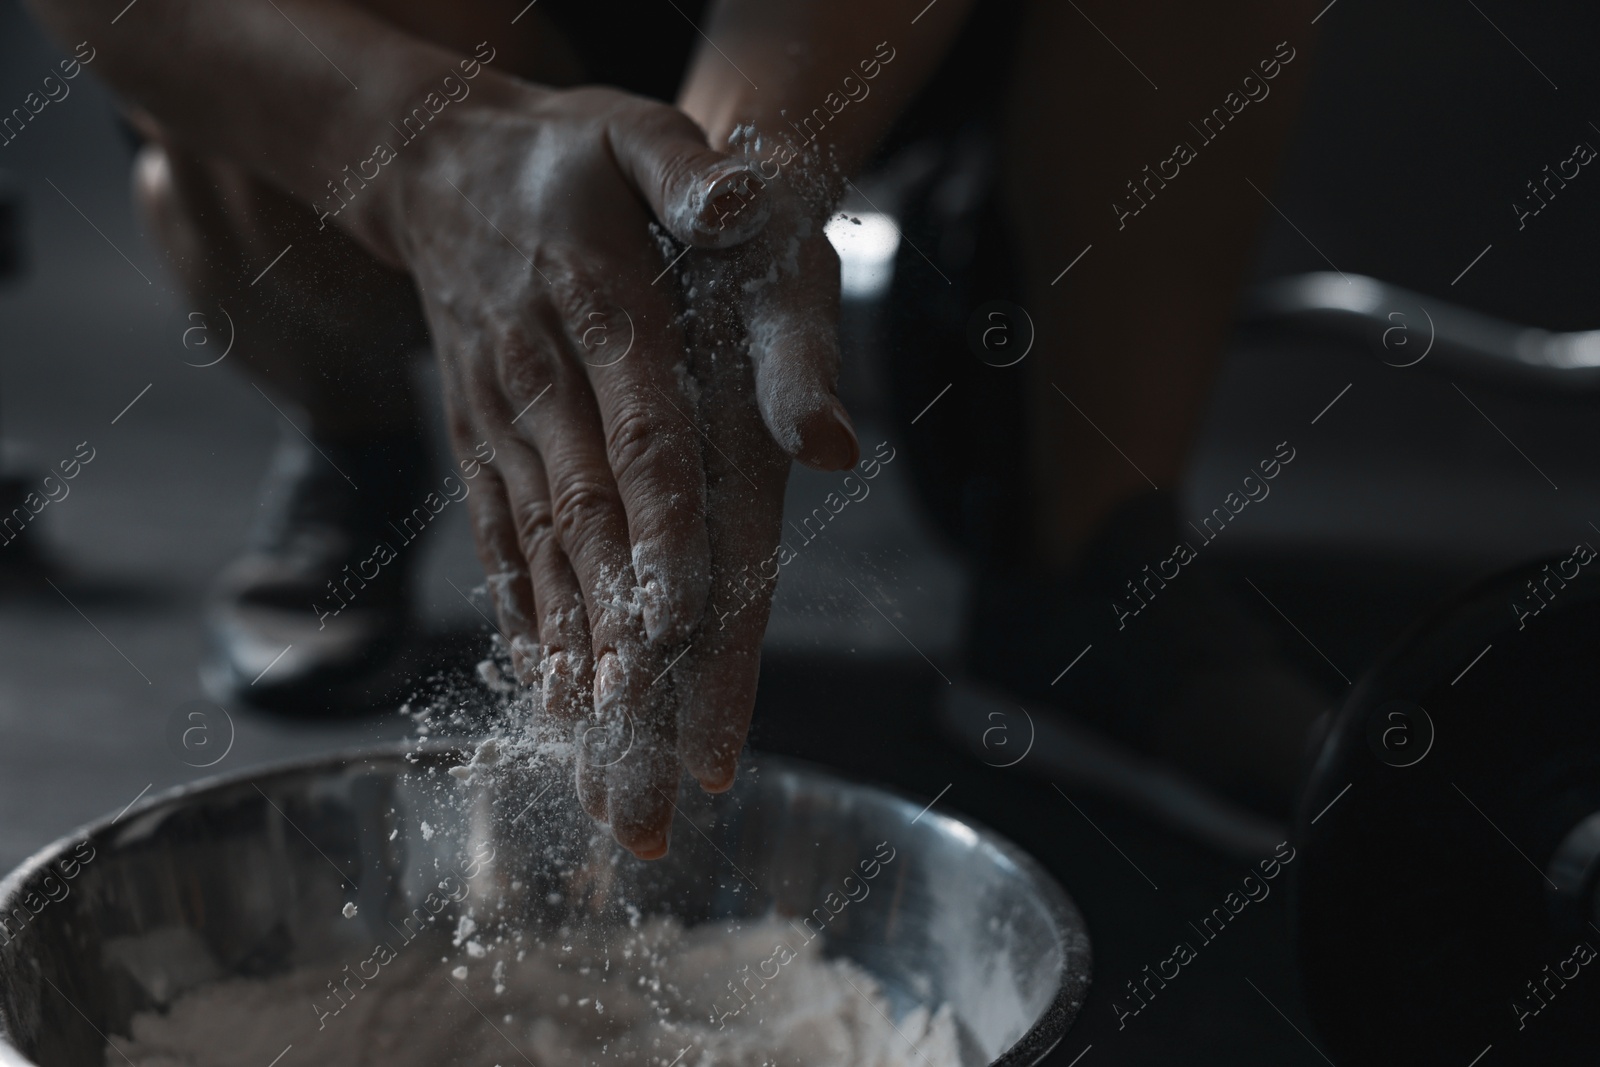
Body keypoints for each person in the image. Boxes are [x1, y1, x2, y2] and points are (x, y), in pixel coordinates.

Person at [25, 0, 1325, 857]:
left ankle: (1088, 546)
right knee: (245, 97)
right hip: (442, 44)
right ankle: (352, 433)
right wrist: (426, 150)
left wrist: (727, 183)